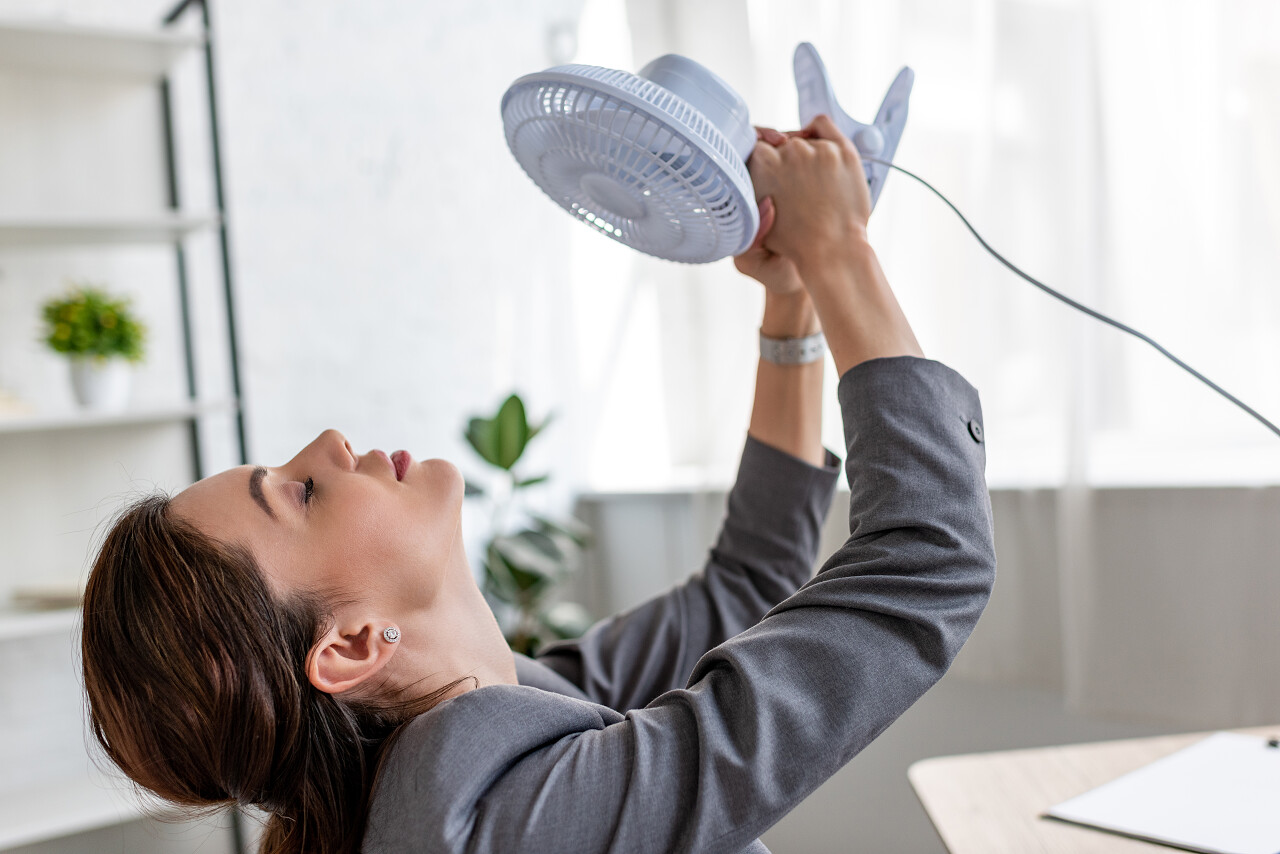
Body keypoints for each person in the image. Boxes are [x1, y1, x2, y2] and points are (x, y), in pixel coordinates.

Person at [81, 114, 995, 854]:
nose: (327, 443)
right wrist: (840, 250)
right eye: (301, 493)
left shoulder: (485, 716)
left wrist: (792, 302)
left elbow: (742, 594)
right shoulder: (489, 822)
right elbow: (927, 564)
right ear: (355, 644)